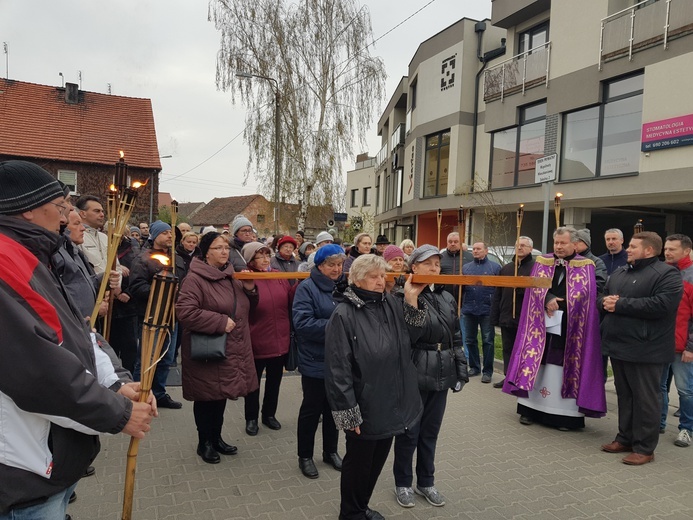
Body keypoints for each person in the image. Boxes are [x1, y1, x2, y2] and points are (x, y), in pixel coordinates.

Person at [0, 160, 154, 518]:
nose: (69, 216)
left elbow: (77, 332)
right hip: (25, 466)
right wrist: (117, 413)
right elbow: (38, 372)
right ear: (27, 211)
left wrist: (114, 382)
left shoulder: (34, 255)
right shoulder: (6, 263)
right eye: (61, 207)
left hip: (52, 452)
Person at [325, 254, 423, 520]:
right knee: (358, 465)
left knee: (377, 461)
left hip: (391, 400)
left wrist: (411, 301)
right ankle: (350, 513)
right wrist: (347, 411)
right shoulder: (344, 314)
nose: (381, 281)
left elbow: (412, 337)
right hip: (364, 405)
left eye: (383, 276)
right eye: (374, 277)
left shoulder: (390, 303)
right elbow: (337, 369)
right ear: (357, 280)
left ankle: (361, 507)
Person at [504, 227, 606, 430]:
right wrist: (547, 298)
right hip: (540, 325)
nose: (558, 247)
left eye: (563, 243)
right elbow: (534, 288)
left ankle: (563, 418)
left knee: (561, 365)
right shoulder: (542, 261)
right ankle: (529, 410)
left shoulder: (586, 265)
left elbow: (587, 295)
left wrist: (563, 303)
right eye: (556, 243)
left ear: (574, 244)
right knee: (536, 361)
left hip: (570, 327)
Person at [393, 245, 468, 509]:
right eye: (428, 264)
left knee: (430, 432)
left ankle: (426, 481)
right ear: (414, 267)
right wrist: (411, 301)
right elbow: (407, 338)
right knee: (408, 432)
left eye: (437, 264)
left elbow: (455, 336)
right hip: (415, 368)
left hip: (442, 369)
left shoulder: (446, 297)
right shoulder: (400, 294)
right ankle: (402, 482)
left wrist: (461, 369)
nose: (435, 268)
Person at [600, 231, 683, 465]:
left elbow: (662, 305)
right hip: (619, 344)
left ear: (648, 250)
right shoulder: (621, 271)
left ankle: (645, 448)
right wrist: (604, 302)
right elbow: (604, 296)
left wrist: (621, 304)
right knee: (625, 396)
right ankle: (624, 438)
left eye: (633, 246)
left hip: (647, 348)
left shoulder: (667, 274)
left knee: (646, 399)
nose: (628, 249)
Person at [176, 231, 258, 464]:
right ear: (206, 252)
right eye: (218, 248)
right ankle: (205, 443)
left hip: (232, 347)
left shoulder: (232, 276)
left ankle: (217, 437)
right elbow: (185, 312)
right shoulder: (195, 279)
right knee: (206, 397)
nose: (224, 252)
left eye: (226, 248)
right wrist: (220, 322)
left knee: (220, 395)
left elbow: (246, 307)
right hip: (208, 349)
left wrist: (251, 290)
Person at [292, 244, 347, 479]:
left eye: (340, 264)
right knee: (311, 410)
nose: (336, 269)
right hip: (315, 358)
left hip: (338, 360)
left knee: (334, 408)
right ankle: (305, 456)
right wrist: (338, 328)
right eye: (331, 265)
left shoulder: (343, 287)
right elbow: (302, 324)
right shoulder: (306, 288)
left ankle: (330, 451)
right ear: (320, 266)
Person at [128, 219, 186, 409]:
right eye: (164, 233)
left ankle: (159, 393)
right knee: (147, 357)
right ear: (154, 236)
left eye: (171, 233)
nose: (169, 235)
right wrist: (161, 290)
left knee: (167, 358)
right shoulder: (143, 258)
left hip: (172, 315)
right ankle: (139, 394)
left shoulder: (176, 258)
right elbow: (136, 286)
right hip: (151, 315)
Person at [241, 241, 292, 436]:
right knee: (252, 383)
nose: (264, 259)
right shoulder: (246, 278)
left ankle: (269, 415)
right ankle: (251, 418)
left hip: (280, 338)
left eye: (266, 254)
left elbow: (290, 299)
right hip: (257, 339)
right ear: (250, 260)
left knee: (275, 381)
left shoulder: (279, 276)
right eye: (259, 256)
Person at [660, 234, 693, 447]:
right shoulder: (662, 271)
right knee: (659, 386)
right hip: (660, 343)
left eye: (672, 249)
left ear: (687, 251)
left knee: (685, 390)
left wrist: (691, 346)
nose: (667, 252)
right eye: (666, 248)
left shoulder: (691, 276)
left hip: (683, 347)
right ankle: (658, 422)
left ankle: (686, 429)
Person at [490, 236, 536, 389]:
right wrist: (495, 316)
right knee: (507, 348)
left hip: (525, 318)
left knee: (523, 350)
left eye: (523, 245)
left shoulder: (535, 268)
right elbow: (498, 293)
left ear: (530, 249)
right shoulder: (507, 268)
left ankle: (522, 378)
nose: (520, 248)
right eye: (518, 245)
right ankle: (508, 376)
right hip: (507, 316)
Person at [462, 242, 501, 383]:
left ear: (486, 251)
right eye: (474, 249)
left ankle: (488, 371)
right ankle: (474, 367)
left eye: (479, 249)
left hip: (487, 309)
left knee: (488, 341)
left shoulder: (495, 267)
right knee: (470, 340)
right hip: (469, 308)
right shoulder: (466, 268)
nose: (476, 251)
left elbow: (499, 290)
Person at [75, 194, 109, 275]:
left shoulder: (104, 237)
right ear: (83, 214)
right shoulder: (78, 237)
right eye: (97, 211)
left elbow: (116, 265)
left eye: (102, 211)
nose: (102, 215)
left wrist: (117, 284)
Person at [439, 232, 473, 308]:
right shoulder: (440, 257)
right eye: (450, 242)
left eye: (456, 242)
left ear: (460, 243)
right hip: (444, 300)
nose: (453, 244)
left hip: (465, 300)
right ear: (447, 243)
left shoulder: (470, 257)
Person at [574, 229, 607, 294]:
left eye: (579, 241)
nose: (575, 244)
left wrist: (580, 293)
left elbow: (600, 283)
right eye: (574, 241)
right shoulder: (568, 260)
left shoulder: (596, 262)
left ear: (587, 243)